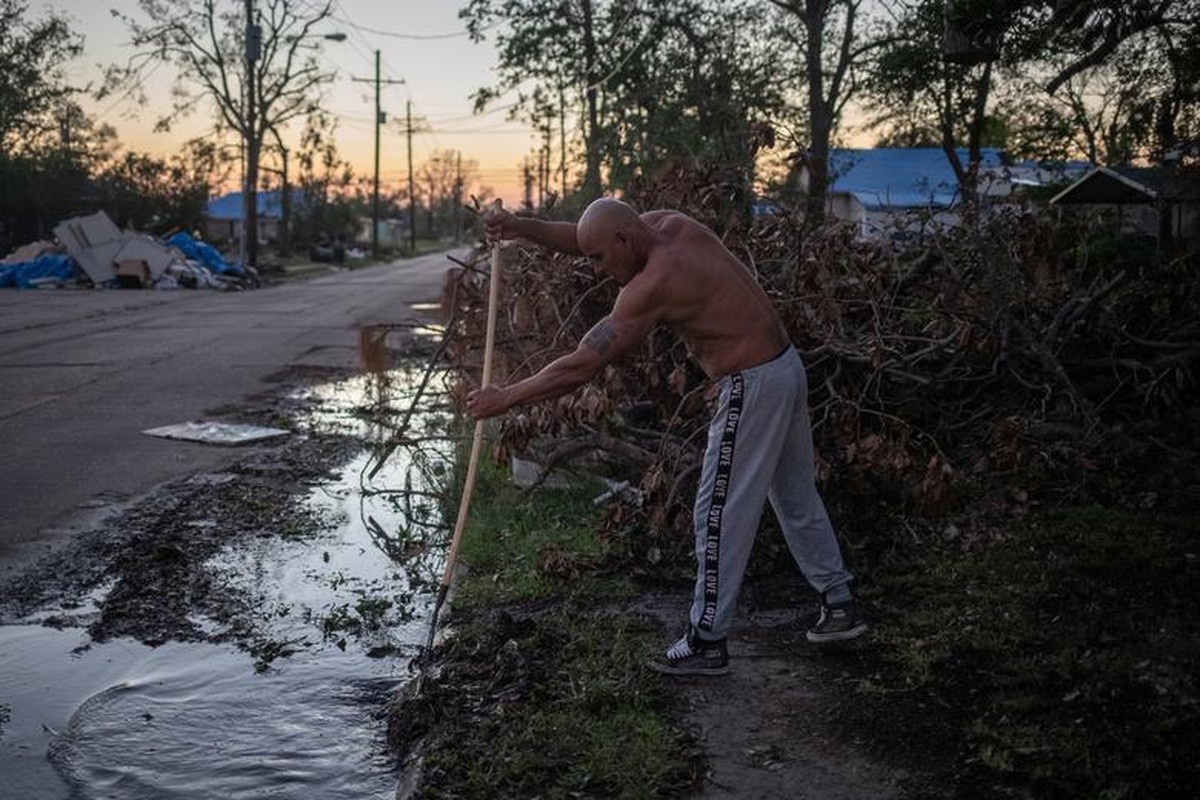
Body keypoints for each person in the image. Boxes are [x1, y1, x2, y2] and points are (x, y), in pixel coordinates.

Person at [469, 198, 866, 677]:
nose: (594, 269)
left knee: (717, 512)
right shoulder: (666, 225)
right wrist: (519, 227)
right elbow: (581, 237)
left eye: (599, 258)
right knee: (796, 495)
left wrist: (506, 397)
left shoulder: (654, 284)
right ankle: (838, 602)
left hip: (753, 384)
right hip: (785, 368)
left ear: (624, 241)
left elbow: (583, 364)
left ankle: (707, 641)